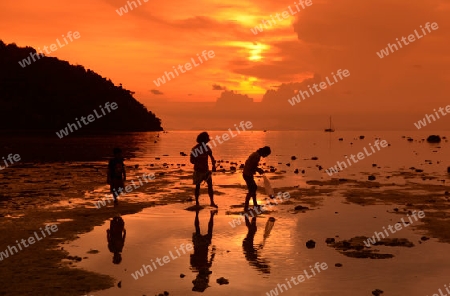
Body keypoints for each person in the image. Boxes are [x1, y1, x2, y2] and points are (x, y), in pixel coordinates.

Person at [190, 209, 217, 292]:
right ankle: (197, 213)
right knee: (198, 228)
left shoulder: (205, 266)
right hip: (199, 244)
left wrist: (213, 250)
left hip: (204, 244)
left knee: (208, 229)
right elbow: (192, 255)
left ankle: (211, 215)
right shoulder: (194, 266)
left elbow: (212, 256)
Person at [190, 132, 218, 208]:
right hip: (198, 171)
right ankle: (197, 202)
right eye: (206, 140)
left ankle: (212, 202)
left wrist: (213, 166)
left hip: (206, 171)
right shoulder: (195, 149)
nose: (207, 141)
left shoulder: (207, 148)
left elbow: (211, 157)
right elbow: (192, 161)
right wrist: (199, 162)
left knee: (210, 186)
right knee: (197, 187)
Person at [242, 146, 271, 212]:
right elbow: (253, 167)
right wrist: (258, 170)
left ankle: (254, 204)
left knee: (253, 188)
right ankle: (246, 207)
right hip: (247, 174)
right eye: (266, 155)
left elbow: (252, 165)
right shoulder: (256, 156)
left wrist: (257, 169)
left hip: (247, 173)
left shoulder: (256, 154)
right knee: (252, 189)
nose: (265, 156)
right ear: (264, 152)